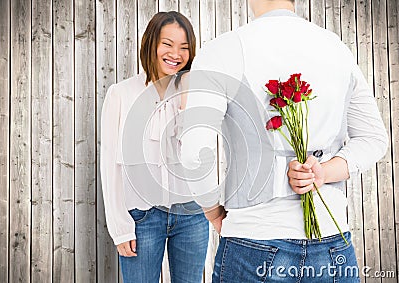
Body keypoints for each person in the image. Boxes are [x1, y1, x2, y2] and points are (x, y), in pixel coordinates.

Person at [179, 0, 388, 282]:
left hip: (253, 240)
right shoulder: (336, 47)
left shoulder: (224, 49)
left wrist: (212, 210)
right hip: (333, 242)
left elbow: (194, 152)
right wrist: (322, 173)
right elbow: (374, 138)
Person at [100, 11, 208, 283]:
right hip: (141, 218)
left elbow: (197, 157)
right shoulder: (121, 94)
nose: (176, 54)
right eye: (168, 44)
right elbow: (110, 165)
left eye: (184, 47)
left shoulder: (193, 93)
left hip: (192, 215)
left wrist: (186, 99)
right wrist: (120, 228)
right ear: (151, 44)